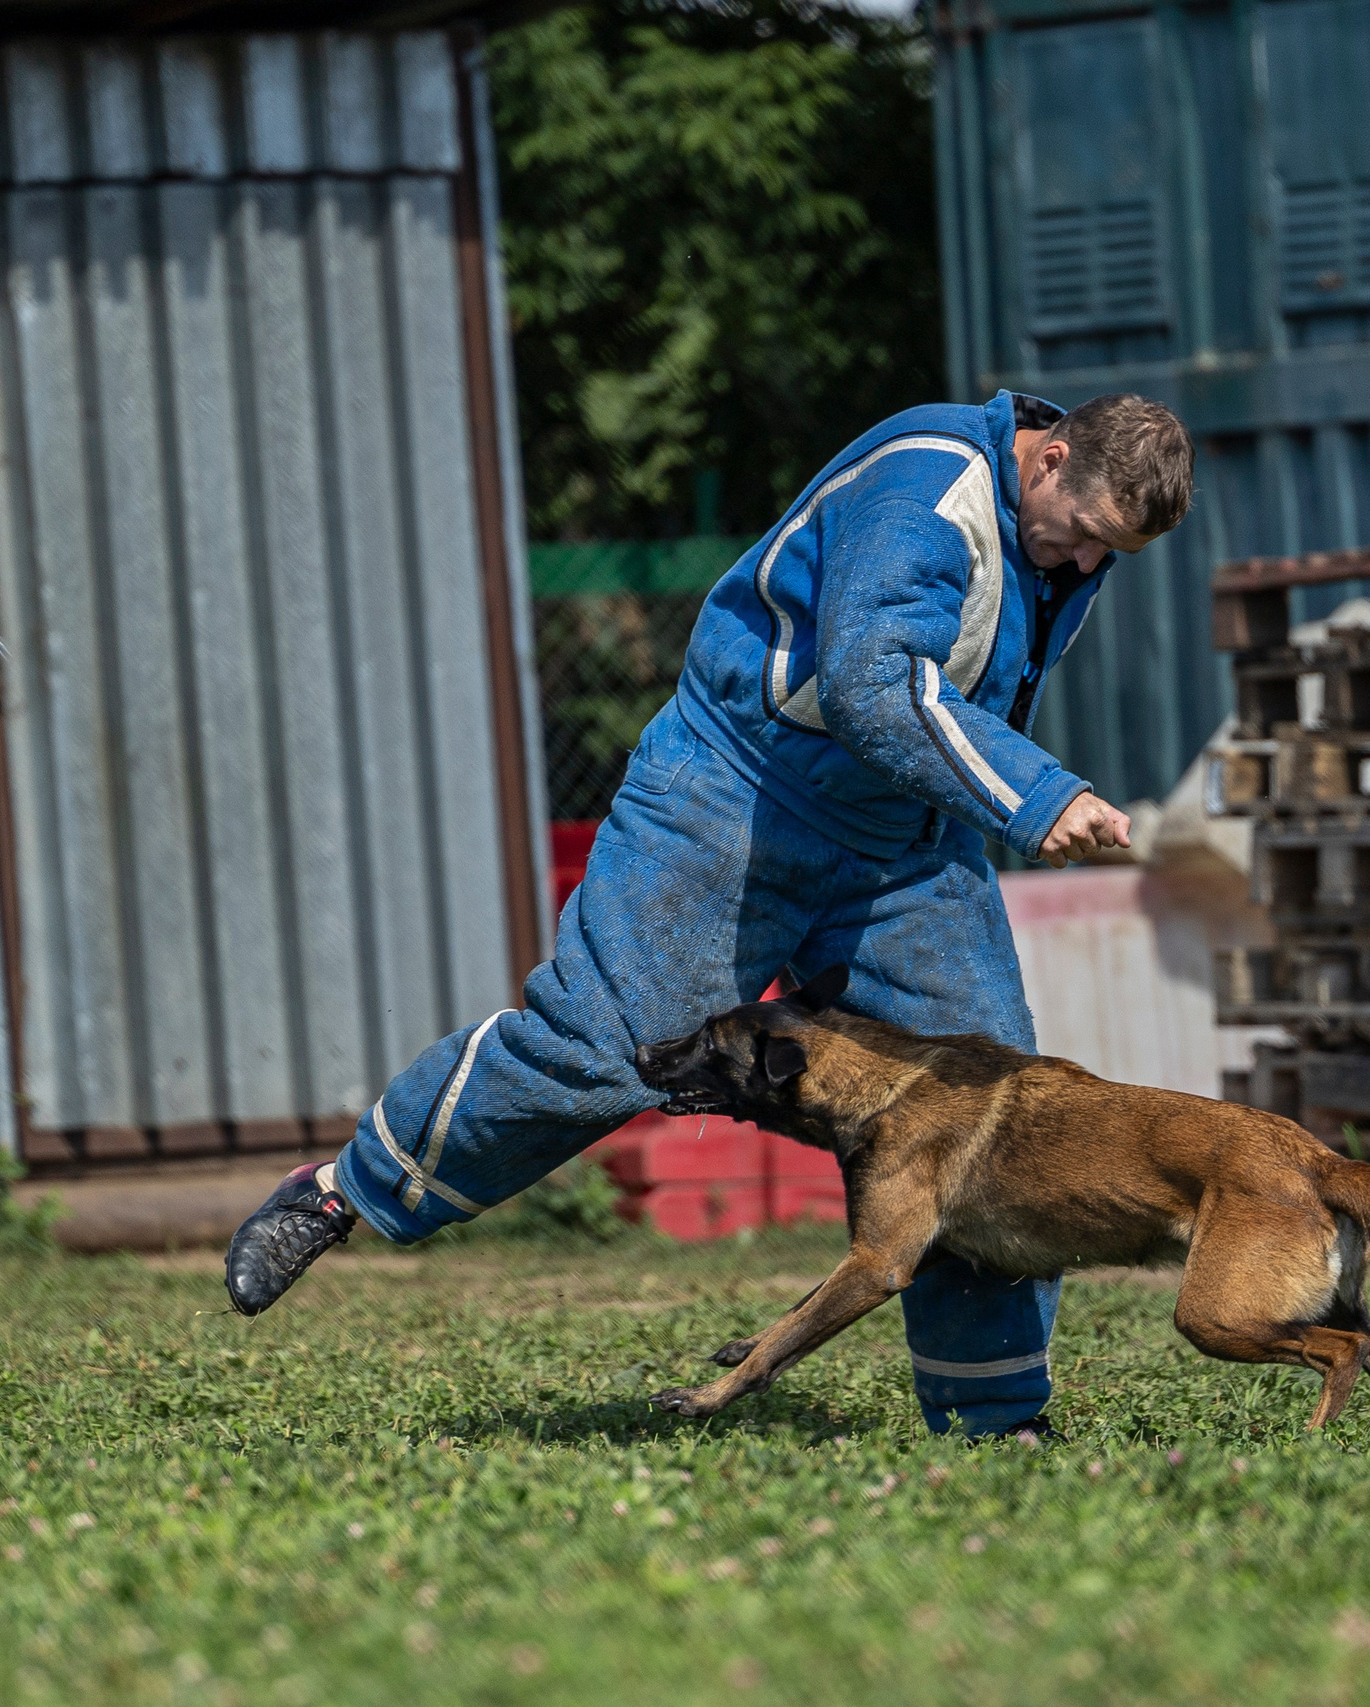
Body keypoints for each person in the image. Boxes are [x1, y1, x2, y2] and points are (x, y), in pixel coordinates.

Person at [224, 389, 1194, 1437]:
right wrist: (1036, 796)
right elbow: (873, 687)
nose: (1085, 565)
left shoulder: (1056, 534)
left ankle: (996, 1422)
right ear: (1046, 462)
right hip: (732, 800)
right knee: (610, 1050)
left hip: (906, 844)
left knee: (986, 1116)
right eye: (1086, 536)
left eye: (1112, 556)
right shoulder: (928, 485)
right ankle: (344, 1191)